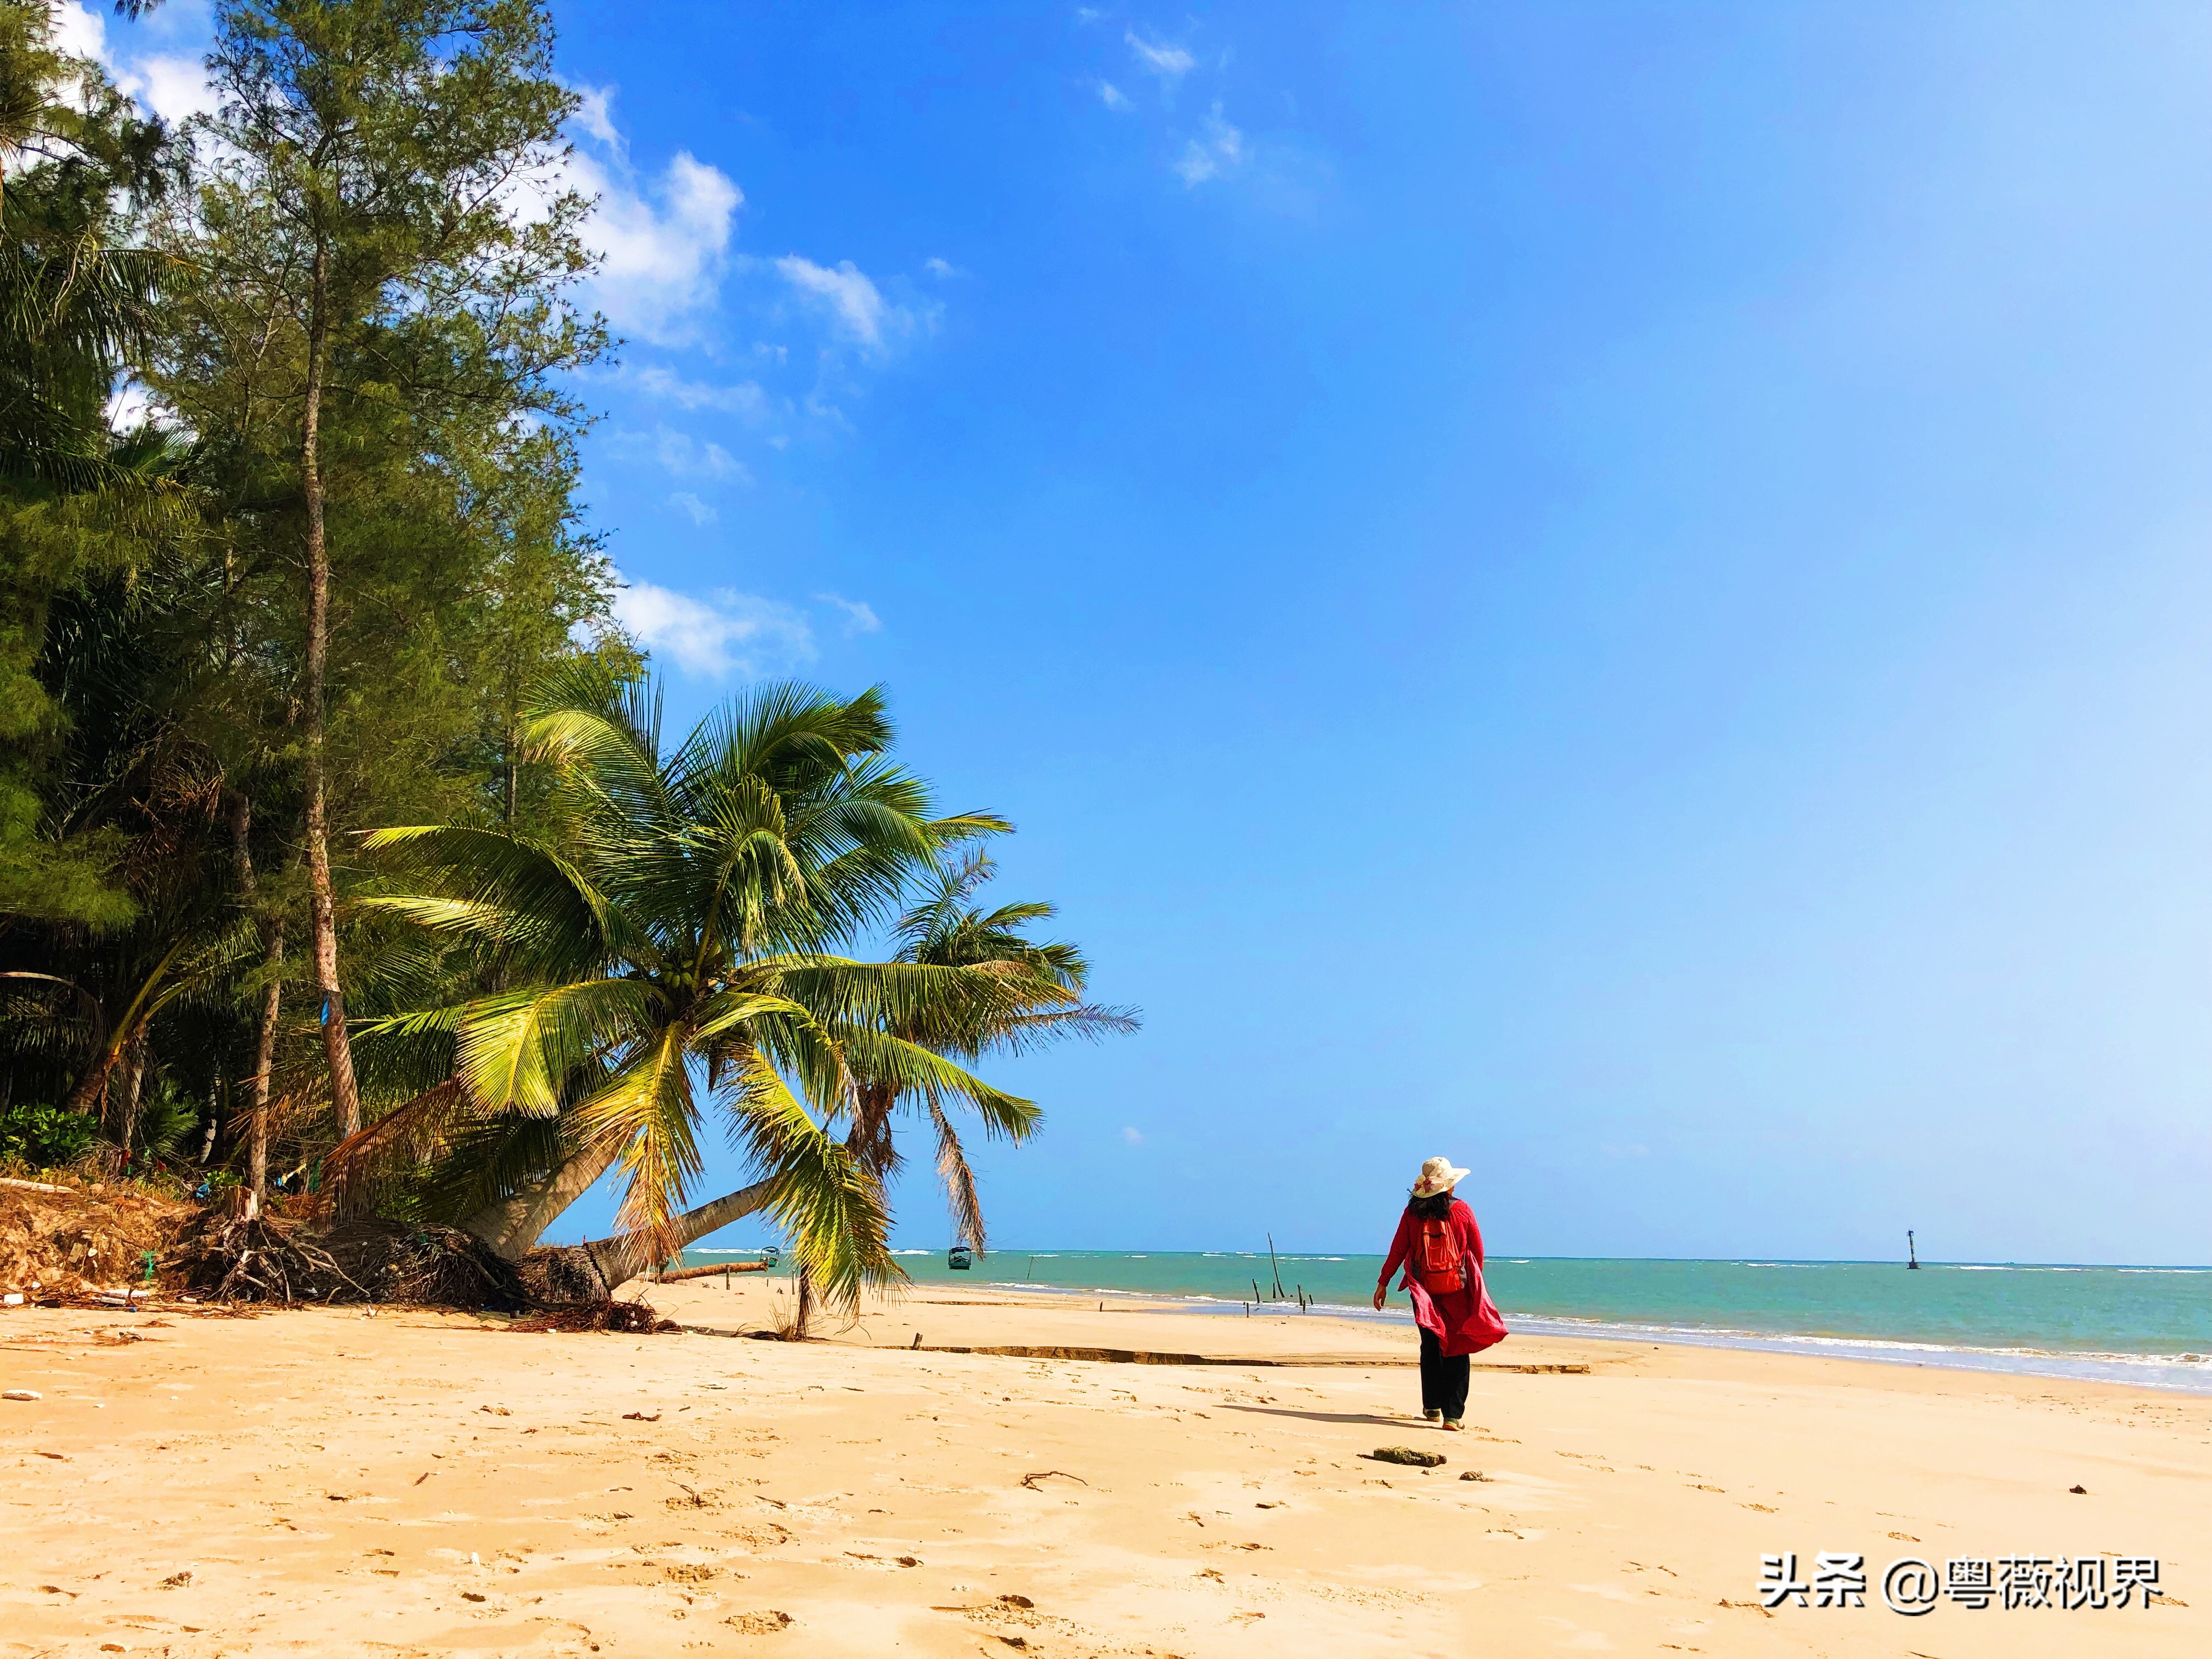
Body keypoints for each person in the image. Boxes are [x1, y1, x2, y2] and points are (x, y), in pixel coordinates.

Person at [1373, 1155, 1507, 1429]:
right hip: (1457, 1288)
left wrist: (1383, 1282)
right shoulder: (1463, 1211)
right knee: (1457, 1346)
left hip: (1423, 1290)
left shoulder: (1412, 1213)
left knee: (1431, 1346)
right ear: (1450, 1187)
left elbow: (1398, 1249)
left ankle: (1432, 1407)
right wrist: (1472, 1285)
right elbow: (1477, 1251)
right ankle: (1453, 1416)